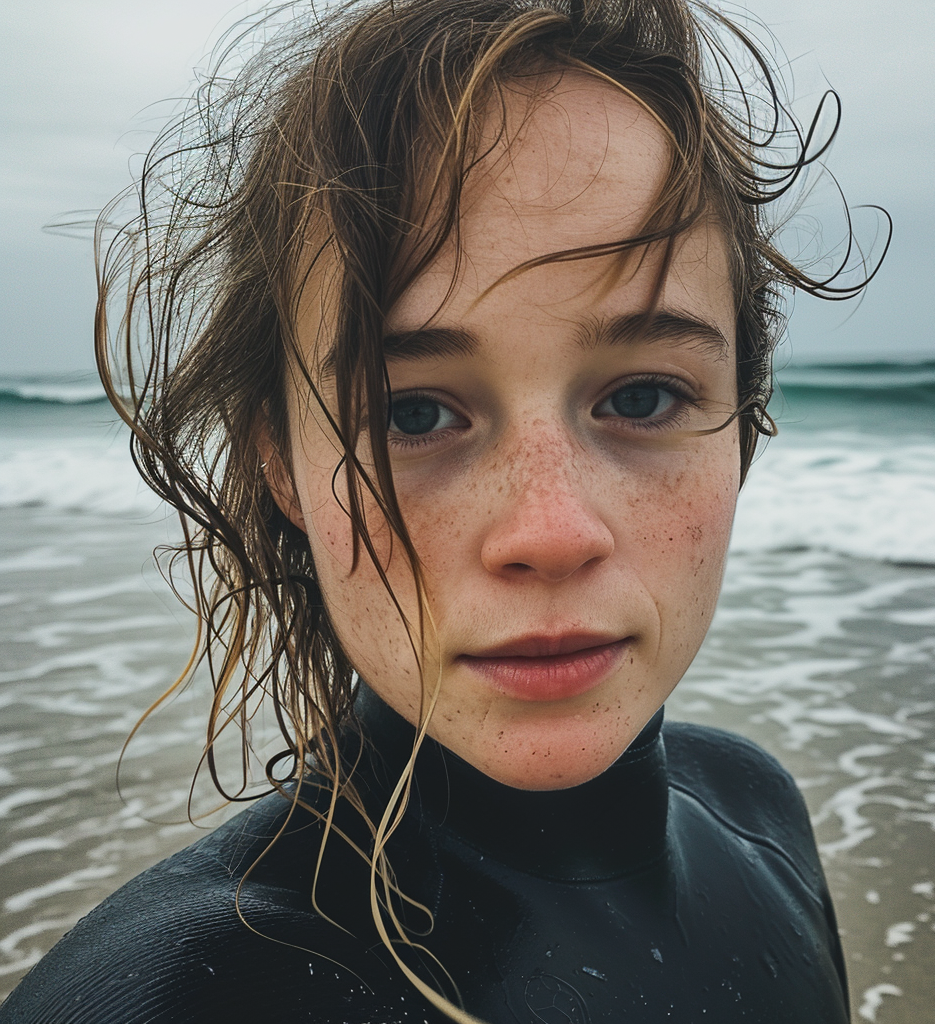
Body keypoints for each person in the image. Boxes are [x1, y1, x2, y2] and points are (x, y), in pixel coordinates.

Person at [1, 0, 884, 1021]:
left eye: (642, 396)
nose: (548, 532)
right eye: (413, 412)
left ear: (743, 420)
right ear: (280, 464)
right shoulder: (199, 997)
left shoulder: (758, 809)